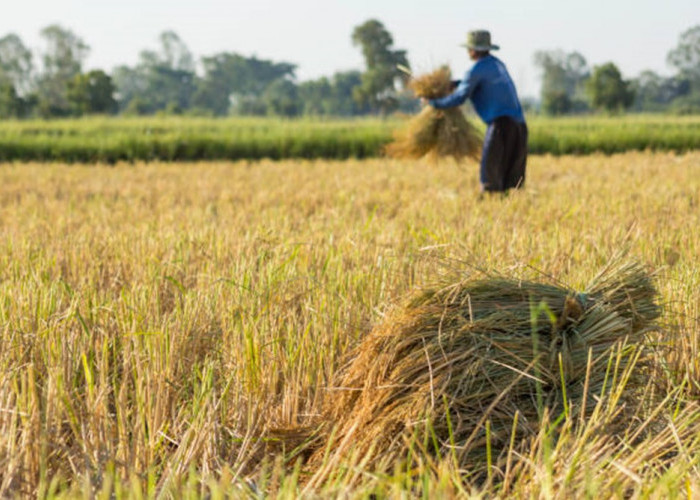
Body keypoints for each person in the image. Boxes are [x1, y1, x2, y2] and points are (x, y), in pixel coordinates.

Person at [427, 30, 527, 193]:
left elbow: (459, 98)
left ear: (473, 50)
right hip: (520, 125)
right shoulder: (497, 64)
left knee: (490, 172)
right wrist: (455, 83)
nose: (468, 52)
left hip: (501, 125)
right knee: (510, 177)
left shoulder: (476, 70)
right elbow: (476, 83)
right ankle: (506, 208)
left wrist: (433, 103)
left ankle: (489, 203)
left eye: (469, 49)